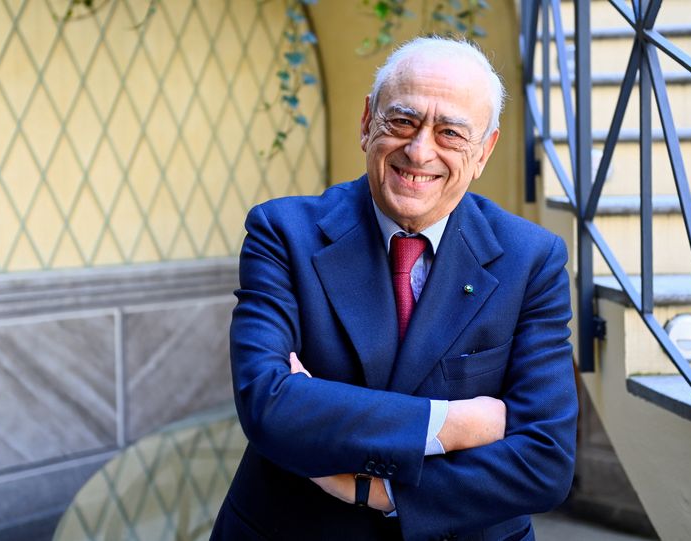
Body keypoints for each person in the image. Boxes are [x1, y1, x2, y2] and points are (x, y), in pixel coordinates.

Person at [210, 36, 578, 541]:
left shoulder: (532, 258)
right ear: (367, 122)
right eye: (402, 121)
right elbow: (268, 405)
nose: (419, 150)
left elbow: (544, 462)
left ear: (484, 151)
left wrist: (375, 491)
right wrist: (454, 424)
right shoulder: (282, 232)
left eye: (451, 133)